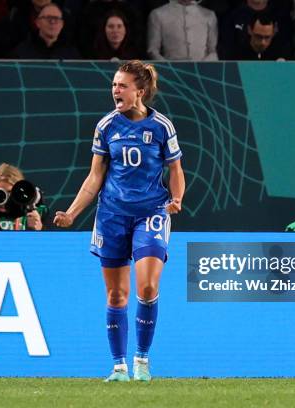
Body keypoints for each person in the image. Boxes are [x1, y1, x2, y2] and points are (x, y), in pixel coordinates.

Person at [53, 60, 185, 382]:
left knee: (149, 285)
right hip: (111, 215)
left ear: (139, 91)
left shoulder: (161, 127)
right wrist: (72, 213)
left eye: (122, 85)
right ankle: (119, 367)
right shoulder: (106, 127)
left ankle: (142, 360)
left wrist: (177, 198)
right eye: (114, 84)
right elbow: (94, 177)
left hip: (151, 212)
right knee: (115, 296)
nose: (115, 90)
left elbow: (176, 170)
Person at [147, 0, 218, 60]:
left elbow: (213, 50)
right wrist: (168, 67)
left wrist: (204, 66)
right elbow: (153, 50)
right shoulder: (158, 14)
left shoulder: (209, 15)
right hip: (172, 71)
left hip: (203, 71)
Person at [12, 3, 79, 59]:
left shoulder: (72, 54)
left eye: (56, 18)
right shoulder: (21, 52)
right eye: (48, 18)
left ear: (62, 24)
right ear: (38, 23)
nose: (52, 22)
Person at [224, 12, 290, 60]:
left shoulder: (281, 54)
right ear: (249, 30)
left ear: (274, 32)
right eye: (258, 36)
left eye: (267, 37)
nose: (263, 42)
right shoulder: (236, 53)